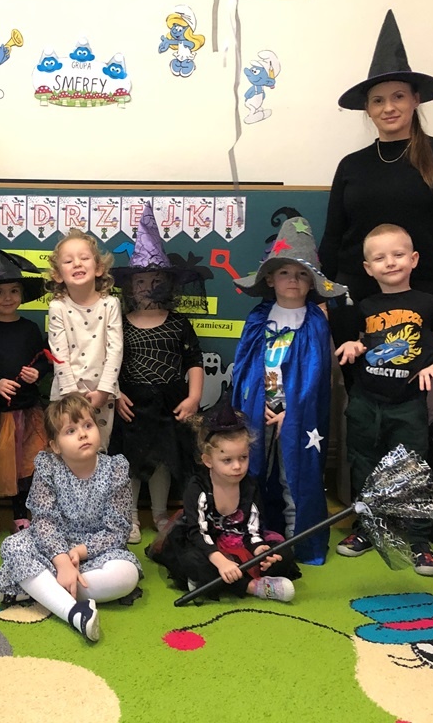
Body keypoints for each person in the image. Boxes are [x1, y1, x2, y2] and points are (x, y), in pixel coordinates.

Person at [318, 9, 433, 545]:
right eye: (378, 99)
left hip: (422, 303)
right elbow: (332, 239)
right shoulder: (352, 165)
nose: (388, 107)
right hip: (356, 304)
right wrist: (327, 298)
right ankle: (370, 518)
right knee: (366, 418)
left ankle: (424, 516)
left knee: (421, 412)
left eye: (398, 97)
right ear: (368, 108)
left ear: (415, 100)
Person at [228, 217, 348, 565]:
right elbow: (246, 369)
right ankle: (256, 538)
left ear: (312, 282)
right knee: (253, 473)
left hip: (298, 417)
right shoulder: (258, 318)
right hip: (259, 410)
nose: (292, 280)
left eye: (301, 274)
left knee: (294, 476)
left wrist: (291, 414)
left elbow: (315, 377)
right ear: (270, 279)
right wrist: (258, 406)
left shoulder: (314, 322)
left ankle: (298, 542)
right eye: (284, 272)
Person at [333, 224, 433, 577]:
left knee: (412, 468)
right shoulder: (365, 305)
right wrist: (353, 345)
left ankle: (419, 541)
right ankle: (368, 529)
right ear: (368, 268)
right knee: (363, 465)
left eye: (398, 254)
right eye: (380, 258)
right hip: (366, 399)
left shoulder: (428, 303)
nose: (390, 262)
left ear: (414, 259)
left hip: (407, 403)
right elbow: (364, 342)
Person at [0, 393, 142, 643]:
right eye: (71, 431)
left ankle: (38, 588)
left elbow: (118, 530)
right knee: (13, 547)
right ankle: (73, 612)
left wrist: (80, 552)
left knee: (126, 575)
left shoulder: (115, 470)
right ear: (55, 446)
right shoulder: (48, 467)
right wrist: (62, 561)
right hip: (53, 549)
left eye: (88, 425)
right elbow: (44, 522)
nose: (83, 434)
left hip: (96, 551)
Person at [110, 207, 208, 545]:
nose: (147, 288)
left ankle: (161, 513)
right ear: (129, 287)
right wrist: (116, 393)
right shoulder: (119, 323)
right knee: (130, 462)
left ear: (167, 285)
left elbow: (194, 360)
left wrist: (194, 397)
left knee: (164, 461)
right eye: (140, 282)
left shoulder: (178, 322)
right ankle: (130, 516)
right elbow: (110, 363)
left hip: (170, 404)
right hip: (131, 404)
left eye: (155, 282)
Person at [146, 404, 300, 603]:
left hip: (241, 541)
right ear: (208, 460)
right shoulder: (198, 488)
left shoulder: (249, 486)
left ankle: (217, 583)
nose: (237, 466)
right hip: (206, 543)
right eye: (227, 460)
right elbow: (197, 533)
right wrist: (220, 560)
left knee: (283, 553)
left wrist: (260, 550)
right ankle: (253, 586)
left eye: (243, 458)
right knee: (192, 561)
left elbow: (253, 529)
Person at [0, 250, 52, 547]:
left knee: (25, 467)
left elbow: (44, 358)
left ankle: (20, 515)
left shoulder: (29, 328)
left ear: (22, 295)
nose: (7, 297)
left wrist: (37, 372)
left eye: (14, 291)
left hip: (27, 410)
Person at [46, 229, 123, 449]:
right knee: (69, 449)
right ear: (58, 275)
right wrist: (72, 396)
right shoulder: (58, 307)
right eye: (68, 261)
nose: (77, 263)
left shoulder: (110, 304)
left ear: (98, 268)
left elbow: (115, 350)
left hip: (102, 395)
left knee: (98, 449)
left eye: (84, 258)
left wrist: (105, 390)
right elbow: (59, 354)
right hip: (66, 394)